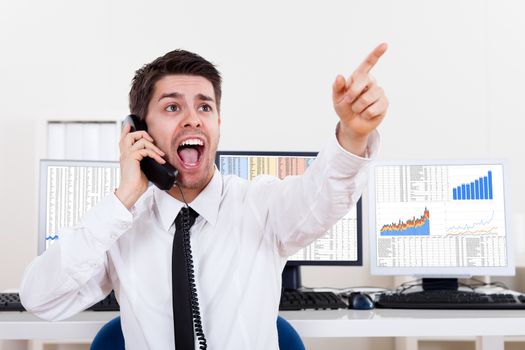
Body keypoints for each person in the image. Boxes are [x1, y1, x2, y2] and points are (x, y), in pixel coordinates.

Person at [20, 45, 389, 349]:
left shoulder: (261, 207)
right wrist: (124, 197)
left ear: (217, 124)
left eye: (205, 107)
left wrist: (352, 136)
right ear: (138, 131)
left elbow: (321, 197)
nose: (193, 119)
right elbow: (40, 299)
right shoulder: (119, 227)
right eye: (172, 107)